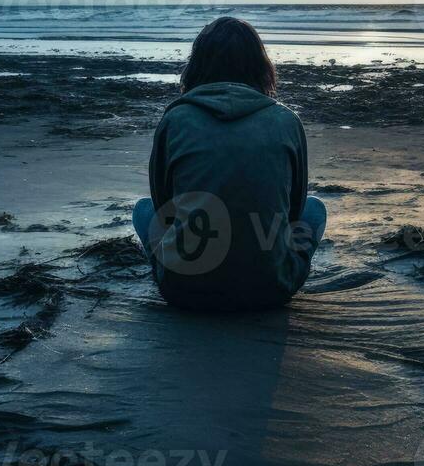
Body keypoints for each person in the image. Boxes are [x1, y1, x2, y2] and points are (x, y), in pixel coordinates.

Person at [133, 17, 326, 311]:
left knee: (143, 210)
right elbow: (295, 209)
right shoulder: (286, 120)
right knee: (314, 208)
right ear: (261, 67)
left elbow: (163, 207)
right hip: (272, 288)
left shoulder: (175, 119)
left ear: (196, 65)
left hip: (184, 288)